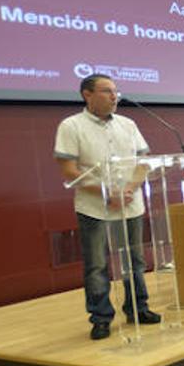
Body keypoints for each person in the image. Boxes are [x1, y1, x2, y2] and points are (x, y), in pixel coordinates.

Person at [53, 75, 155, 339]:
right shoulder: (71, 125)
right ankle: (100, 318)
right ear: (87, 94)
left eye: (116, 91)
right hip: (93, 207)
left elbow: (143, 161)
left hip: (131, 204)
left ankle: (138, 308)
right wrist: (105, 193)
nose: (115, 96)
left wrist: (130, 188)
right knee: (97, 264)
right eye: (107, 91)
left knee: (135, 260)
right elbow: (69, 170)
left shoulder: (128, 124)